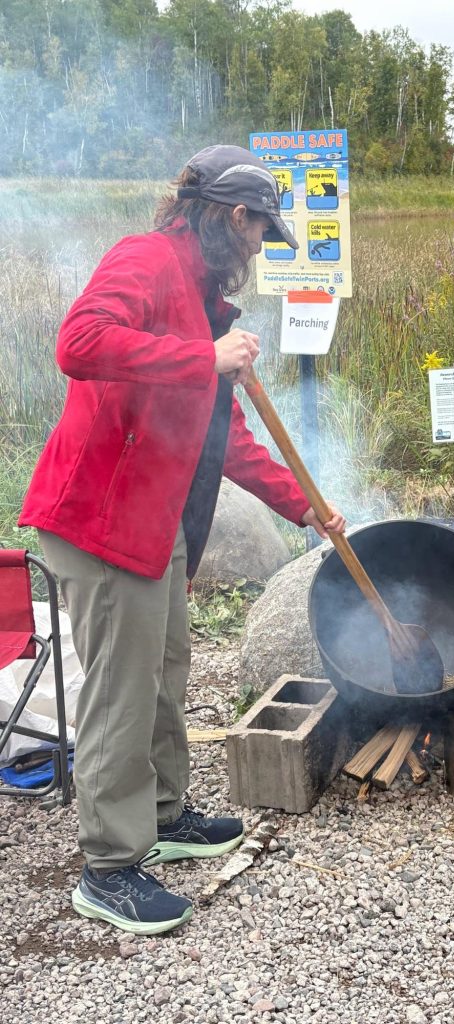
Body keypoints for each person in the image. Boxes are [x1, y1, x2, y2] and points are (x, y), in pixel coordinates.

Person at [19, 145, 346, 933]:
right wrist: (202, 355)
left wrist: (308, 509)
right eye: (263, 231)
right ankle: (108, 865)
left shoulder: (203, 297)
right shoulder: (145, 258)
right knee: (120, 693)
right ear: (235, 216)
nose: (262, 249)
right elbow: (79, 344)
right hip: (100, 520)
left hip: (155, 524)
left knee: (165, 671)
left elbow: (226, 438)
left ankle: (163, 816)